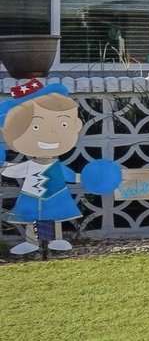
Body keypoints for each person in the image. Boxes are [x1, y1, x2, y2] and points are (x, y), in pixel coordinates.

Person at [1, 79, 86, 255]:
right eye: (37, 126)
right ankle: (32, 242)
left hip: (55, 195)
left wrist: (85, 178)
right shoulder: (31, 164)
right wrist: (3, 167)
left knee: (54, 217)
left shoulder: (56, 165)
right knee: (34, 217)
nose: (50, 134)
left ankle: (56, 239)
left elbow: (69, 175)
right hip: (33, 195)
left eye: (63, 125)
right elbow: (15, 170)